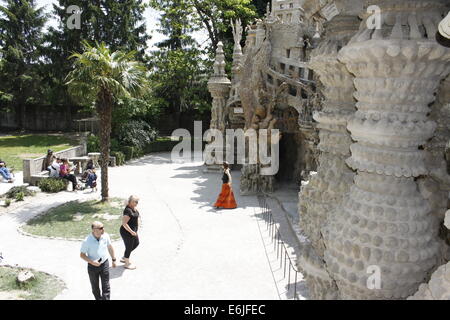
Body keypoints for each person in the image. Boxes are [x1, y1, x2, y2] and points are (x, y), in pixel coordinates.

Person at [80, 221, 117, 300]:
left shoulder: (106, 236)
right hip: (92, 267)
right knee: (95, 287)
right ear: (94, 229)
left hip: (104, 264)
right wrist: (92, 262)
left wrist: (114, 259)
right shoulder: (87, 241)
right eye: (101, 228)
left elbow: (110, 247)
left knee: (106, 286)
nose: (103, 229)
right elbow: (82, 255)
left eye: (103, 227)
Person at [119, 195, 140, 269]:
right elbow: (124, 223)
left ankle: (125, 257)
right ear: (130, 202)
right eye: (135, 201)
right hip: (126, 232)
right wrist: (131, 232)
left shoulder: (133, 208)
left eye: (137, 201)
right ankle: (126, 264)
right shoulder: (128, 210)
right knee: (129, 246)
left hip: (133, 231)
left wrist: (137, 227)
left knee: (136, 243)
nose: (137, 203)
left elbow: (137, 217)